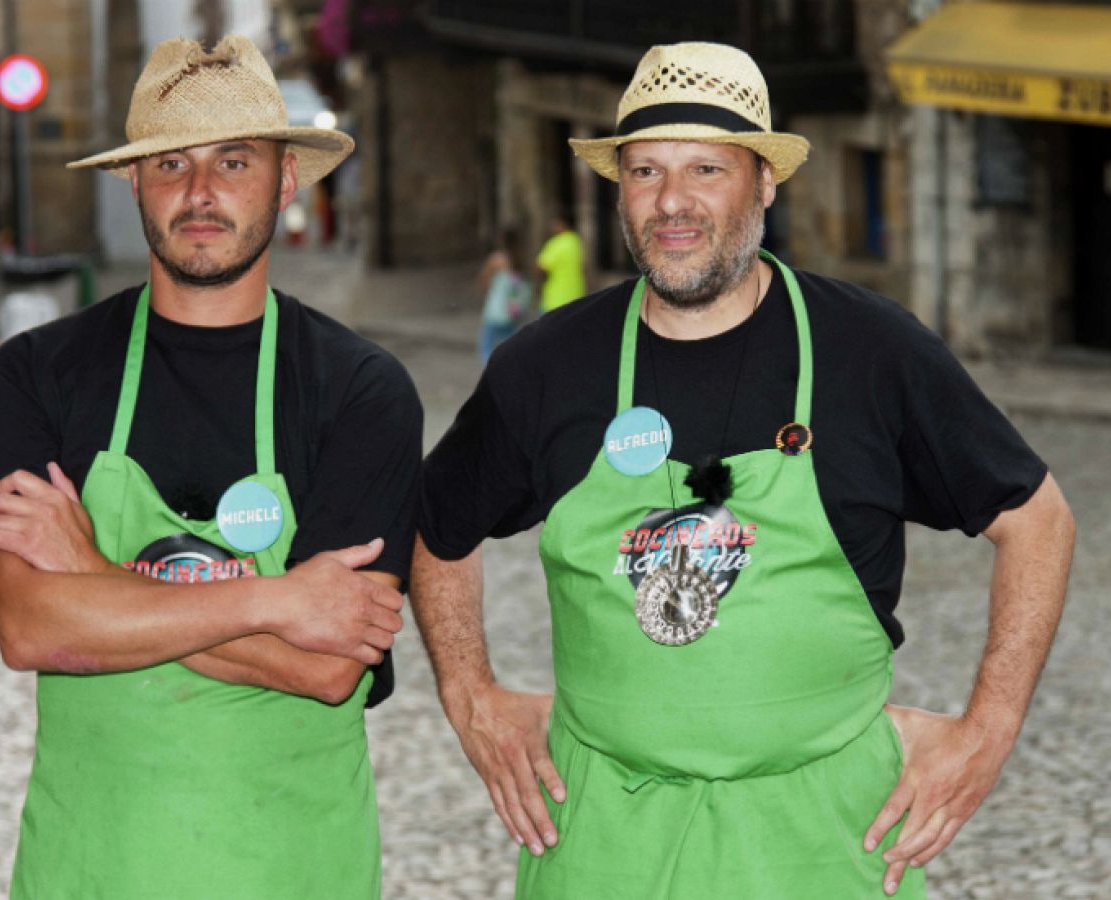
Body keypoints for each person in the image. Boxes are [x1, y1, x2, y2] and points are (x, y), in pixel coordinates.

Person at [410, 41, 1076, 899]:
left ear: (765, 181)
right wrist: (472, 699)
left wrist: (988, 731)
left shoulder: (870, 352)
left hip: (825, 839)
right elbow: (436, 526)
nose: (673, 203)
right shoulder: (547, 366)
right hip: (603, 836)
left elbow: (1037, 519)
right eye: (646, 171)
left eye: (706, 169)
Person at [0, 35, 421, 898]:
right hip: (93, 869)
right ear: (134, 181)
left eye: (234, 161)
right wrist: (278, 601)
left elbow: (329, 669)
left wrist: (92, 577)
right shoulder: (33, 376)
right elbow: (29, 627)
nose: (200, 192)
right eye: (170, 162)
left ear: (285, 179)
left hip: (291, 870)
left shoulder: (361, 392)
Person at [477, 228, 532, 364]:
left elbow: (484, 280)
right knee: (511, 345)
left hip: (496, 309)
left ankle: (491, 374)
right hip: (512, 311)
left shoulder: (497, 259)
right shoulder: (520, 258)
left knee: (486, 346)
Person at [535, 215, 586, 313]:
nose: (552, 227)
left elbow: (540, 268)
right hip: (576, 296)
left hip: (555, 299)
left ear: (562, 224)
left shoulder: (557, 242)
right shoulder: (575, 241)